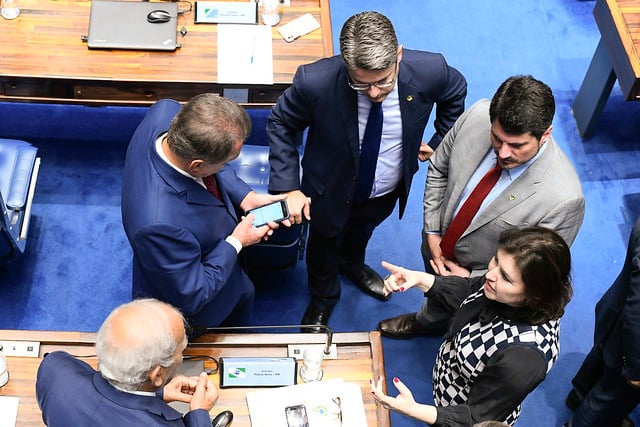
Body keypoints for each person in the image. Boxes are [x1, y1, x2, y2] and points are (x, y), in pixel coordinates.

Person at [267, 11, 467, 330]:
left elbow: (455, 91)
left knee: (362, 231)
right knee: (324, 241)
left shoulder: (431, 70)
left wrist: (440, 140)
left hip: (386, 189)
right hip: (327, 190)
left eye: (383, 81)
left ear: (398, 55)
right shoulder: (314, 81)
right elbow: (280, 123)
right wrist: (288, 187)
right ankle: (323, 295)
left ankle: (352, 264)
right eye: (361, 84)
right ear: (347, 65)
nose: (374, 93)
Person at [378, 75, 584, 339]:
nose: (504, 153)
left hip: (484, 282)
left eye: (517, 145)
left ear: (545, 135)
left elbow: (536, 269)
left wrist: (475, 278)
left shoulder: (565, 200)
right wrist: (431, 233)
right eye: (497, 139)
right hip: (435, 245)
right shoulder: (476, 115)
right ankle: (429, 321)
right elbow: (439, 168)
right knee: (436, 300)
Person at [371, 226, 573, 426]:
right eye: (495, 260)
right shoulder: (502, 292)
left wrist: (413, 410)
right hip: (449, 385)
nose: (489, 275)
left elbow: (476, 418)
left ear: (534, 294)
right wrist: (419, 279)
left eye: (506, 277)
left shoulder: (525, 358)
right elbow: (471, 291)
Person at [121, 94, 288, 334]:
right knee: (238, 301)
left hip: (197, 250)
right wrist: (237, 241)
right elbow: (193, 294)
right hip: (195, 296)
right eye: (225, 163)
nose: (225, 167)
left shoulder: (165, 112)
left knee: (245, 289)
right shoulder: (158, 225)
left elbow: (214, 169)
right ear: (196, 166)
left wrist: (246, 196)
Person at [36, 298, 231, 426]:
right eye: (182, 348)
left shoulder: (54, 368)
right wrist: (199, 414)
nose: (183, 351)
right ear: (156, 375)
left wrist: (158, 394)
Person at [564, 217, 640, 427]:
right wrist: (636, 367)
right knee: (611, 398)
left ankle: (578, 397)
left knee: (602, 357)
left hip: (617, 311)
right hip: (634, 340)